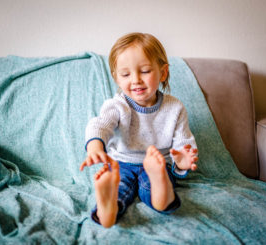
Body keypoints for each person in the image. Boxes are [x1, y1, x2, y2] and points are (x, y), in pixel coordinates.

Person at [80, 32, 198, 228]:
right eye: (126, 74)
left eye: (144, 71)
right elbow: (100, 125)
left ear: (163, 72)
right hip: (120, 165)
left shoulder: (175, 108)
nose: (135, 80)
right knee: (119, 185)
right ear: (117, 78)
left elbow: (183, 144)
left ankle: (160, 190)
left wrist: (183, 161)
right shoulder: (117, 106)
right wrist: (95, 148)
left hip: (156, 164)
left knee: (156, 181)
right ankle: (107, 208)